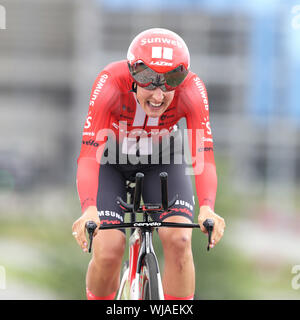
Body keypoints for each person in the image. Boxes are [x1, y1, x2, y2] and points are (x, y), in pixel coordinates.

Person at [72, 28, 226, 300]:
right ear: (133, 74)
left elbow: (204, 152)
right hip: (112, 162)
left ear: (183, 77)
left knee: (179, 241)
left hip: (162, 160)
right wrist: (88, 209)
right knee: (108, 251)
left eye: (171, 81)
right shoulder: (109, 81)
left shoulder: (192, 89)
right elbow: (87, 154)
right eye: (149, 81)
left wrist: (208, 208)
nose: (158, 95)